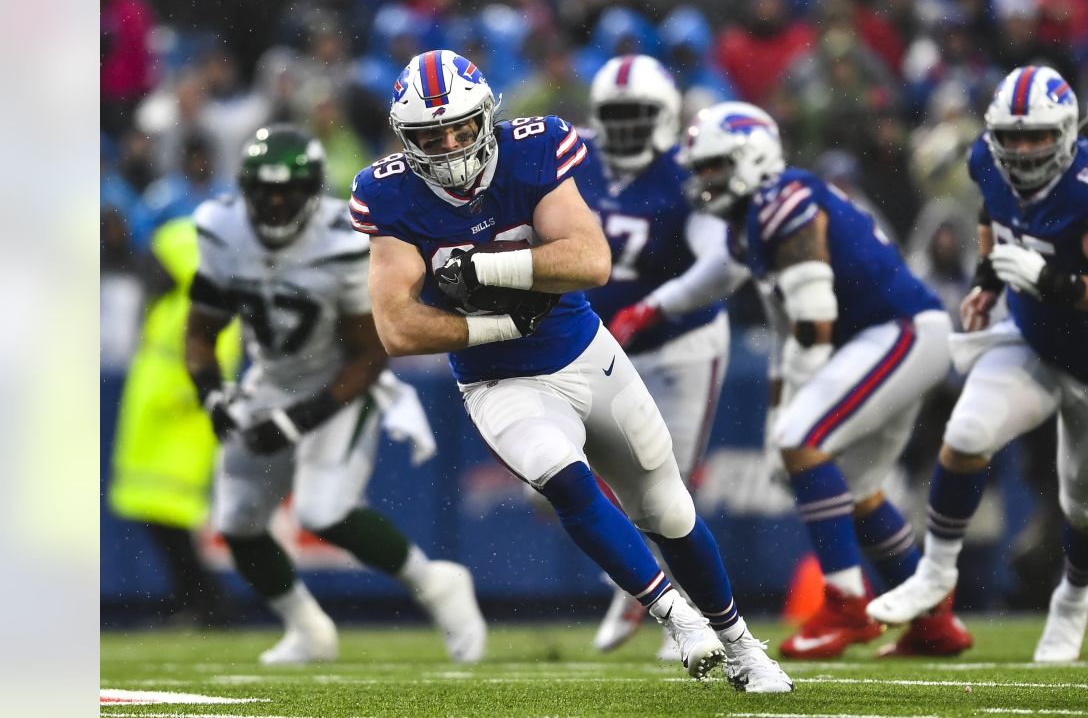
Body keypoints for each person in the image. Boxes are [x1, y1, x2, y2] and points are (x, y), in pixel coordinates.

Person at [356, 50, 791, 692]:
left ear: (487, 117)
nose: (448, 146)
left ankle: (742, 643)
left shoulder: (536, 148)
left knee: (669, 511)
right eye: (430, 135)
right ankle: (676, 617)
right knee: (566, 482)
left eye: (459, 128)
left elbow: (590, 260)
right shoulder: (387, 192)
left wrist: (483, 269)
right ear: (405, 138)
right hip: (498, 381)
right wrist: (498, 325)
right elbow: (396, 327)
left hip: (588, 354)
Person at [865, 66, 1088, 662]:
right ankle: (935, 574)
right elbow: (992, 216)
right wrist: (985, 278)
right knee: (966, 433)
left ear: (1066, 132)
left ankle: (1073, 602)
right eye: (1014, 136)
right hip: (1033, 339)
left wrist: (1058, 283)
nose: (1024, 148)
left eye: (1037, 137)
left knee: (1085, 506)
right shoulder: (986, 157)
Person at [682, 101, 973, 659]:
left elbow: (813, 323)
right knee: (860, 489)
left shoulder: (780, 198)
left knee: (805, 442)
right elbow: (787, 335)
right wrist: (779, 423)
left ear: (752, 157)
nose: (705, 180)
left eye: (715, 166)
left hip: (897, 331)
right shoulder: (751, 221)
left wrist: (790, 433)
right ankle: (932, 621)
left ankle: (845, 604)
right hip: (885, 338)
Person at [186, 124, 486, 665]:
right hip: (272, 380)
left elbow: (370, 355)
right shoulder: (220, 228)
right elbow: (200, 333)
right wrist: (212, 394)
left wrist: (300, 419)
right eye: (265, 191)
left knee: (324, 510)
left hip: (341, 383)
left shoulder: (344, 242)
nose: (276, 204)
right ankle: (307, 628)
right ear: (244, 188)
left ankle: (436, 584)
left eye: (289, 191)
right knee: (235, 521)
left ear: (313, 190)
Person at [574, 54, 748, 659]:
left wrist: (655, 307)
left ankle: (690, 610)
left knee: (665, 489)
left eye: (638, 116)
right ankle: (640, 588)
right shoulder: (572, 160)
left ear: (668, 117)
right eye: (615, 117)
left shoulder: (685, 172)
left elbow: (722, 263)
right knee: (560, 477)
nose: (625, 130)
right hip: (598, 343)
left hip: (682, 346)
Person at [108, 215, 242, 628]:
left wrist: (175, 399)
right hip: (151, 432)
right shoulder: (169, 305)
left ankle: (207, 603)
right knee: (159, 523)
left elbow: (221, 367)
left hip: (179, 432)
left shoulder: (208, 308)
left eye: (162, 262)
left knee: (174, 526)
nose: (154, 270)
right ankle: (192, 599)